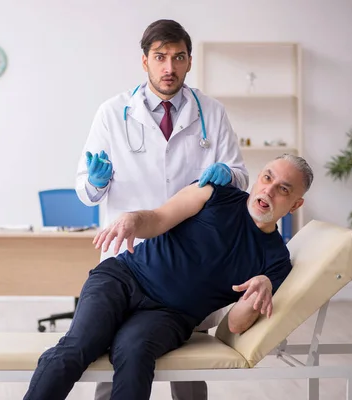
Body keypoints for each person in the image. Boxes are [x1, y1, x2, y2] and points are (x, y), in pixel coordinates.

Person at [24, 154, 313, 400]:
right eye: (266, 178)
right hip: (123, 278)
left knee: (134, 353)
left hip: (170, 315)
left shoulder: (275, 263)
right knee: (79, 345)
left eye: (283, 189)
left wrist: (261, 287)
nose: (269, 191)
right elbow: (159, 218)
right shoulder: (214, 194)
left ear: (295, 205)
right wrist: (133, 219)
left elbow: (236, 323)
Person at [74, 19, 249, 400]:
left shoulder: (212, 112)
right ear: (145, 62)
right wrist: (98, 181)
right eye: (160, 57)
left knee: (187, 359)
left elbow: (241, 179)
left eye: (178, 57)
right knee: (117, 352)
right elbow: (85, 191)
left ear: (189, 61)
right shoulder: (112, 112)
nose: (169, 67)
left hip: (189, 261)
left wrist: (228, 176)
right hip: (129, 257)